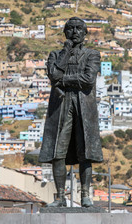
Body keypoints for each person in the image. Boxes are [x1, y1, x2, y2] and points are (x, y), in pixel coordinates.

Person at [39, 17, 103, 207]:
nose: (75, 32)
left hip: (84, 107)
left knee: (86, 152)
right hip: (61, 106)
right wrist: (66, 51)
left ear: (85, 33)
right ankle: (59, 197)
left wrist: (62, 80)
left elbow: (88, 79)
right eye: (71, 28)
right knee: (57, 152)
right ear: (65, 32)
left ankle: (85, 195)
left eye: (79, 28)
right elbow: (53, 74)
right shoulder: (55, 55)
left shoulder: (92, 54)